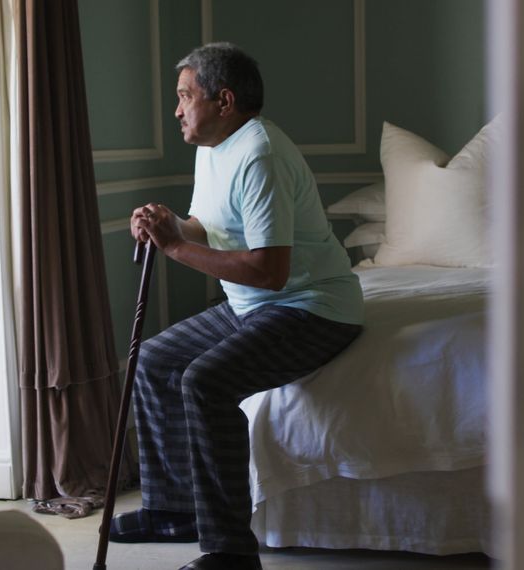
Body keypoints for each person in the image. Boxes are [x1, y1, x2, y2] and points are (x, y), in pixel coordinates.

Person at [110, 43, 364, 570]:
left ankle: (229, 552)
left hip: (312, 307)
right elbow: (206, 226)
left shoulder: (260, 154)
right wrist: (166, 227)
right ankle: (172, 510)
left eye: (185, 96)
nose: (176, 110)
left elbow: (270, 273)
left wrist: (178, 248)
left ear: (223, 101)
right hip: (252, 305)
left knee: (206, 381)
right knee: (156, 361)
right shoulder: (212, 146)